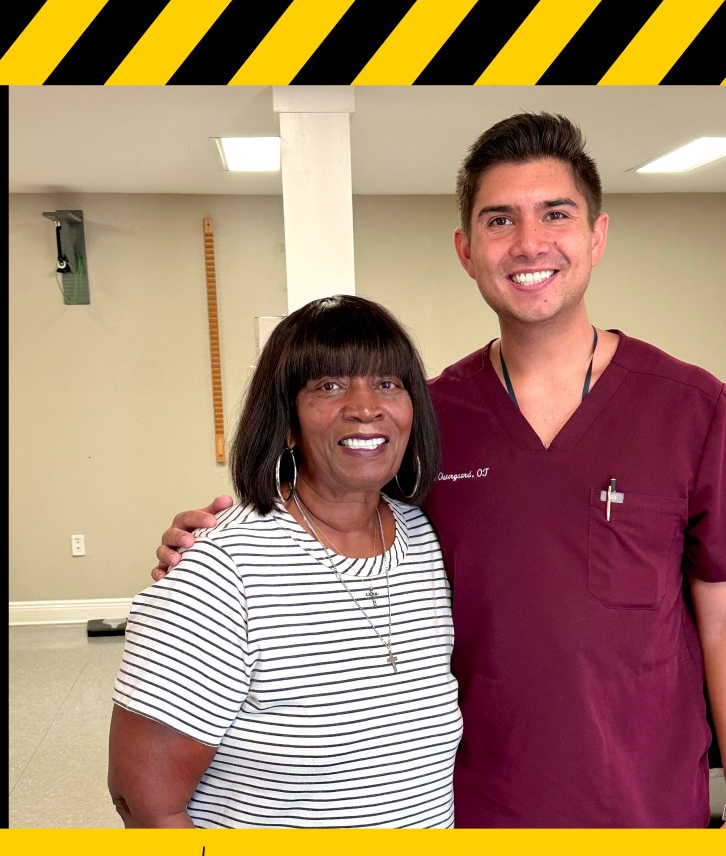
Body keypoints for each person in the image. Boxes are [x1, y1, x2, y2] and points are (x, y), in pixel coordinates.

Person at [153, 112, 726, 829]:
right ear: (466, 250)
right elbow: (333, 519)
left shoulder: (689, 405)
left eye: (556, 214)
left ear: (597, 236)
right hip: (469, 817)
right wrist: (211, 547)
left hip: (645, 813)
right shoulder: (424, 417)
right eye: (499, 220)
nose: (529, 243)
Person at [109, 295, 462, 828]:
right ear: (287, 422)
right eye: (329, 385)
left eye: (388, 383)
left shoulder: (427, 537)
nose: (365, 407)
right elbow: (143, 801)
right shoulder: (221, 570)